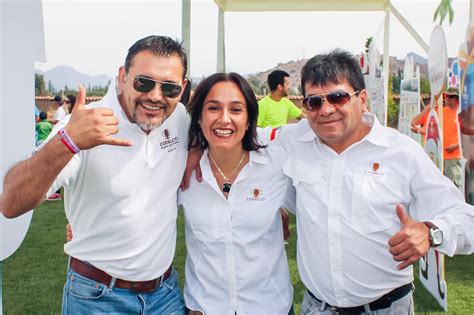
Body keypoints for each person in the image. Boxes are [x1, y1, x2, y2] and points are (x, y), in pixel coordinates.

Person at [275, 49, 474, 314]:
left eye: (338, 97)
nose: (326, 110)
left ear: (363, 99)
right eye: (314, 102)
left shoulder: (400, 152)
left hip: (386, 308)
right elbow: (239, 141)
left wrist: (431, 232)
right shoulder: (293, 141)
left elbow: (466, 219)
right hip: (316, 307)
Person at [0, 35, 189, 314]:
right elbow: (11, 202)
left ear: (182, 89)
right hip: (97, 299)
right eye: (143, 82)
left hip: (165, 294)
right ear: (123, 77)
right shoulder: (83, 123)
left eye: (169, 88)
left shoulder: (180, 117)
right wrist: (68, 141)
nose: (155, 96)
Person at [180, 72, 295, 314]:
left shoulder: (276, 162)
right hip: (205, 307)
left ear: (250, 118)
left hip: (269, 307)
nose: (224, 119)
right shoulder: (182, 169)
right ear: (199, 118)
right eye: (213, 108)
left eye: (236, 109)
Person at [411, 92, 463, 190]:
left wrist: (456, 145)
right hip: (435, 157)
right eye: (446, 96)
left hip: (453, 159)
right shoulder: (439, 112)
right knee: (438, 188)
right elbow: (420, 126)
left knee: (453, 188)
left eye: (451, 97)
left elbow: (469, 136)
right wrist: (425, 111)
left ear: (457, 99)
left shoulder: (463, 114)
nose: (447, 98)